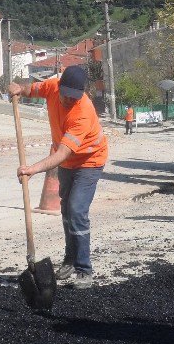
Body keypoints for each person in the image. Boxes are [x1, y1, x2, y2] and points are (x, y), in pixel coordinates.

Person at [8, 66, 108, 289]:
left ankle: (84, 270)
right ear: (60, 87)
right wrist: (19, 89)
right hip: (66, 163)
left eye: (73, 98)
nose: (67, 101)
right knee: (66, 210)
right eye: (65, 95)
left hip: (89, 161)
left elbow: (62, 152)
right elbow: (33, 89)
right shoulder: (52, 86)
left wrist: (32, 169)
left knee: (76, 210)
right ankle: (70, 260)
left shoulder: (82, 112)